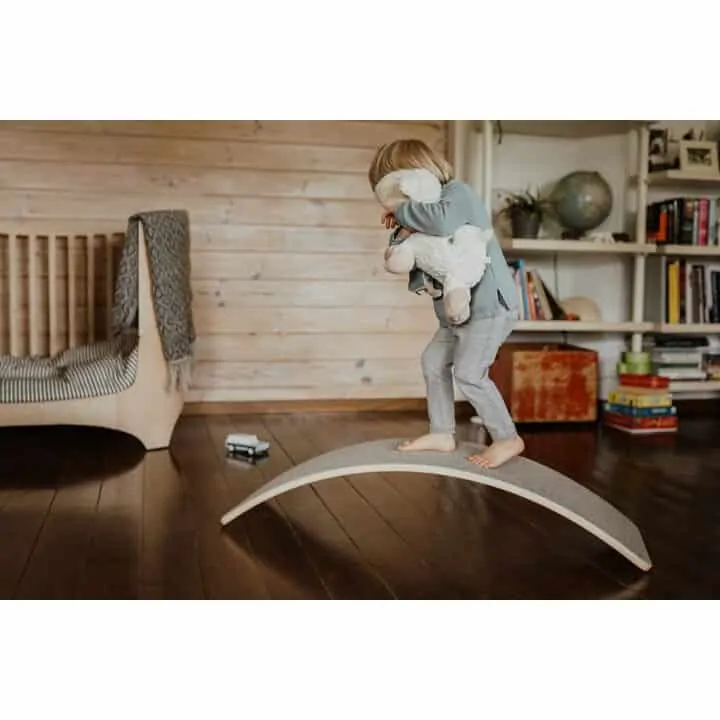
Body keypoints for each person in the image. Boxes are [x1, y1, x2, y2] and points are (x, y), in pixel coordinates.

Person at [368, 138, 525, 469]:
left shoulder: (457, 193)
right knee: (433, 361)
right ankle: (441, 432)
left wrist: (402, 212)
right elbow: (408, 255)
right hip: (453, 316)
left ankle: (507, 438)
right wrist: (400, 233)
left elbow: (442, 221)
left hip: (488, 307)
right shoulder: (417, 215)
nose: (393, 201)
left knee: (469, 373)